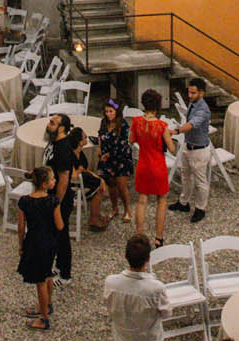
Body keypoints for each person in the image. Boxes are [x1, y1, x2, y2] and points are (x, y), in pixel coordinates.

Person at [17, 165, 63, 330]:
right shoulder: (53, 201)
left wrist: (21, 245)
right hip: (50, 242)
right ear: (45, 184)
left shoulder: (25, 201)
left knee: (40, 281)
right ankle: (47, 306)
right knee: (47, 274)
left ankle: (43, 318)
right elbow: (59, 225)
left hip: (34, 243)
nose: (55, 181)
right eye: (52, 179)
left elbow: (21, 227)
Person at [46, 112, 88, 284]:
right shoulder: (55, 143)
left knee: (62, 236)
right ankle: (59, 264)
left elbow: (64, 179)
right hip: (54, 196)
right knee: (56, 234)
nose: (49, 125)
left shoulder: (62, 148)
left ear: (61, 128)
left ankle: (65, 275)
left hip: (61, 199)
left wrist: (56, 202)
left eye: (52, 123)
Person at [131, 89, 174, 246]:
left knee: (142, 200)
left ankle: (139, 236)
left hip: (143, 165)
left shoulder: (136, 121)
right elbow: (172, 149)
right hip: (158, 166)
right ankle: (159, 237)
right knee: (161, 200)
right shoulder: (162, 126)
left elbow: (131, 139)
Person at [170, 78, 213, 225]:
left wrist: (176, 130)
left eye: (193, 93)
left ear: (201, 93)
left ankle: (201, 209)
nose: (189, 95)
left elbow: (192, 124)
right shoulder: (193, 103)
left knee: (201, 182)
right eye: (189, 92)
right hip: (189, 146)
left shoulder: (203, 109)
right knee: (185, 176)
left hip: (199, 151)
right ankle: (183, 203)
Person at [91, 97, 135, 229]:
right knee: (111, 186)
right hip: (106, 158)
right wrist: (100, 149)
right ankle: (115, 208)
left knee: (122, 186)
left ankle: (127, 210)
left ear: (116, 112)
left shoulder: (123, 125)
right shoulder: (104, 122)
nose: (108, 114)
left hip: (120, 158)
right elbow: (100, 136)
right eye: (106, 111)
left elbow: (122, 145)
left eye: (110, 111)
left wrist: (108, 154)